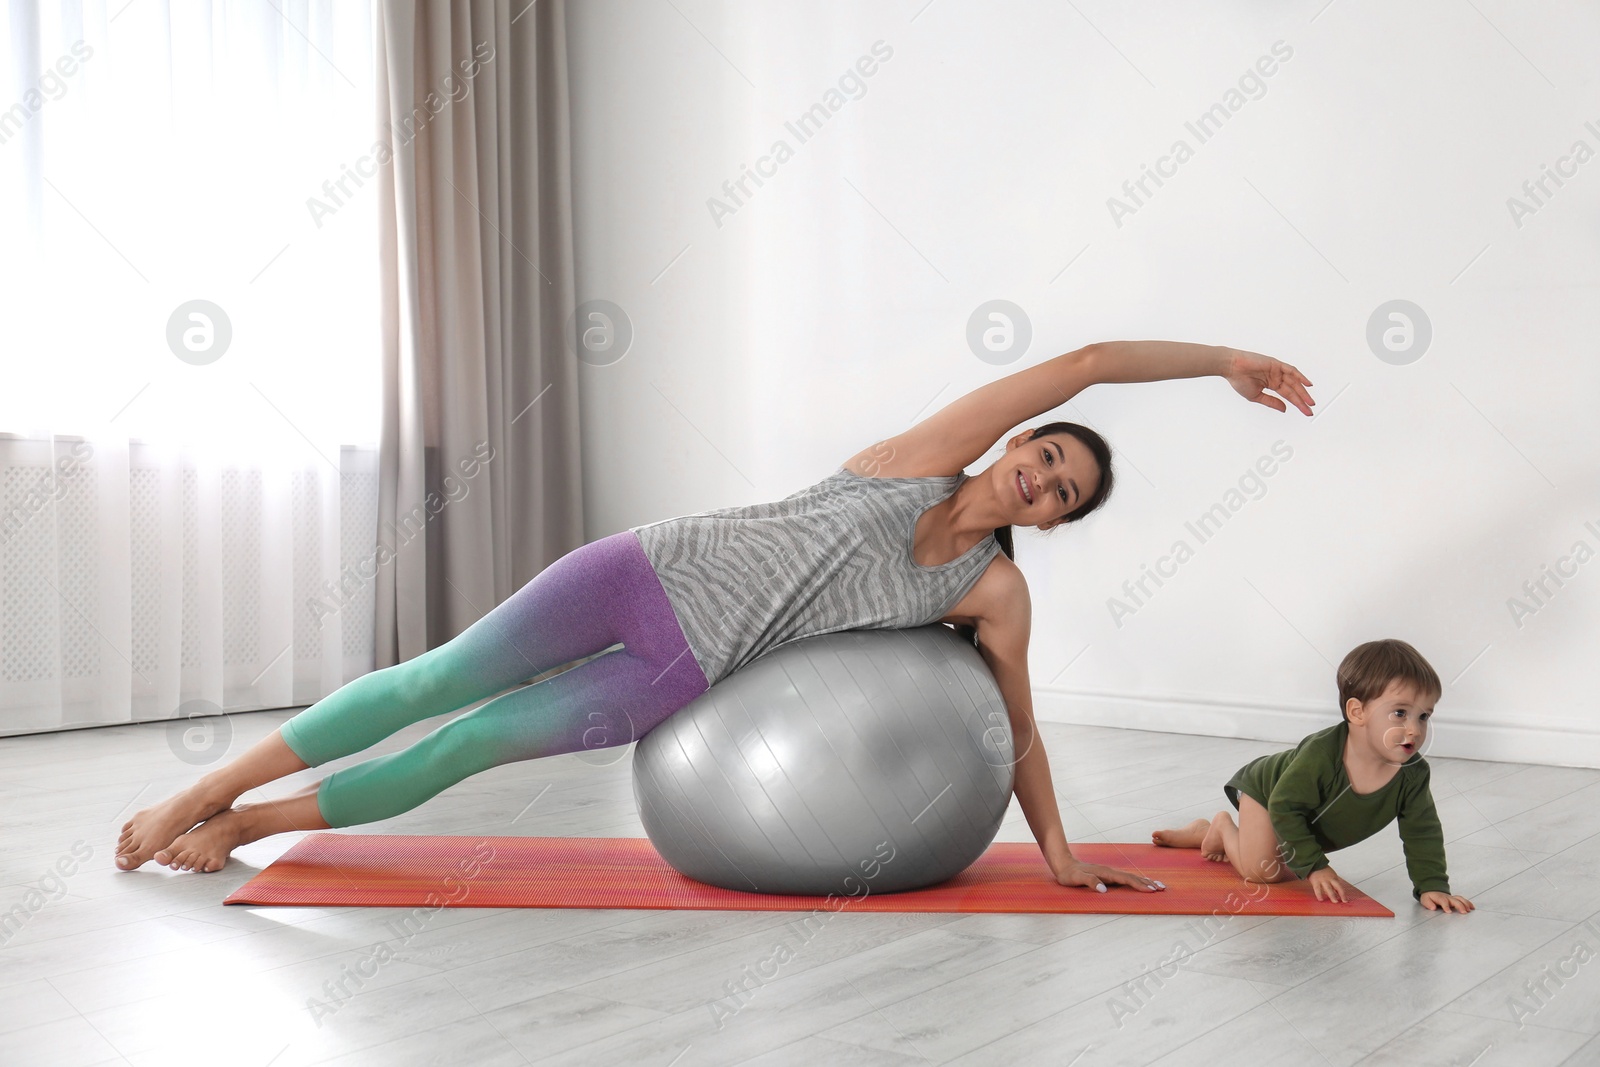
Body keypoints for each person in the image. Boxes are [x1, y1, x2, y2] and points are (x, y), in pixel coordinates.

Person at [115, 339, 1315, 891]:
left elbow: (1017, 725)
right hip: (638, 571)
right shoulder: (923, 457)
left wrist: (1056, 852)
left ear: (1051, 524)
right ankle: (201, 791)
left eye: (1060, 493)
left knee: (468, 745)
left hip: (682, 672)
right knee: (436, 680)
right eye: (1044, 456)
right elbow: (1090, 359)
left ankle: (255, 821)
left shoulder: (990, 590)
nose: (1039, 478)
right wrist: (1220, 360)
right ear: (1014, 444)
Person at [1152, 638, 1476, 913]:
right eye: (1400, 713)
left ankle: (1206, 831)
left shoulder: (1412, 773)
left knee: (1284, 861)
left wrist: (1432, 885)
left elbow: (1422, 830)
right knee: (1261, 873)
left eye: (1424, 716)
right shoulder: (1322, 754)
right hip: (1269, 794)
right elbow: (1284, 806)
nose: (1414, 729)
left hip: (1297, 816)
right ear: (1357, 712)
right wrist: (1317, 867)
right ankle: (1221, 827)